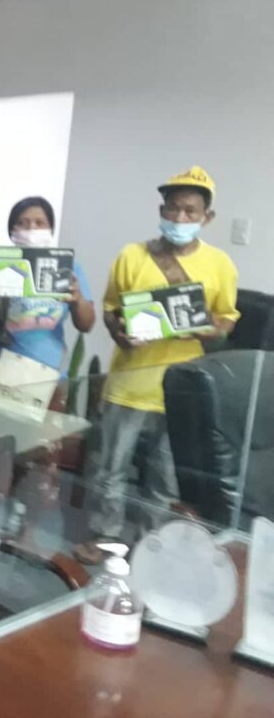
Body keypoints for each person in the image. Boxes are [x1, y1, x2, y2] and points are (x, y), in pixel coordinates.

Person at [75, 167, 239, 564]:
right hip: (129, 384)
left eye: (190, 211)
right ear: (161, 210)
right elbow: (112, 310)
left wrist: (204, 330)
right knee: (109, 470)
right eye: (173, 209)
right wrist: (119, 331)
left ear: (207, 217)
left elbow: (226, 321)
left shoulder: (220, 265)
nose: (180, 218)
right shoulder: (131, 255)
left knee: (164, 479)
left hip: (181, 391)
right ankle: (105, 538)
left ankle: (151, 545)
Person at [0, 196, 96, 388]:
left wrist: (77, 301)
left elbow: (86, 324)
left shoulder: (68, 268)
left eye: (39, 223)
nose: (31, 229)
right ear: (12, 230)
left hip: (46, 375)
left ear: (51, 229)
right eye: (22, 223)